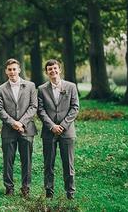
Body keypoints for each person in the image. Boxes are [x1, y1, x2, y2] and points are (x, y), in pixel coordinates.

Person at [37, 59, 79, 200]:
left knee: (68, 164)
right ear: (46, 72)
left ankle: (70, 193)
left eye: (55, 68)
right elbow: (40, 110)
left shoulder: (71, 86)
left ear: (59, 70)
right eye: (50, 69)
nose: (53, 71)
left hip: (67, 131)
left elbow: (75, 107)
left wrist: (63, 125)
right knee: (48, 164)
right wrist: (52, 126)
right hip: (49, 131)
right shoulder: (42, 89)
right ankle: (49, 192)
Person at [0, 59, 37, 198]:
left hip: (27, 129)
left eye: (14, 69)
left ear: (19, 70)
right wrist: (12, 122)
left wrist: (22, 123)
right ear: (6, 71)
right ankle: (9, 187)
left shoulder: (30, 86)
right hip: (8, 130)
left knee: (27, 160)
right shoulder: (0, 89)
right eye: (9, 69)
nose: (12, 72)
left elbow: (33, 106)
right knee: (8, 160)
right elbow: (0, 110)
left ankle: (26, 188)